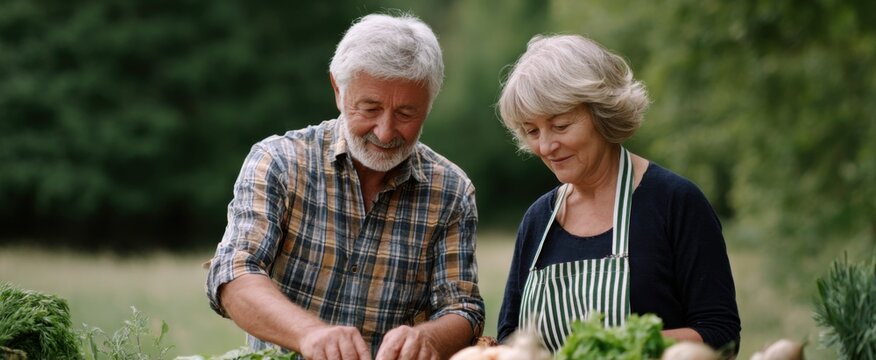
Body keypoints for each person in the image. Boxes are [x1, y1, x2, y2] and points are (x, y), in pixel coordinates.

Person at [205, 13, 485, 360]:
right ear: (339, 90)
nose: (385, 131)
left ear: (429, 105)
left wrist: (429, 338)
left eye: (406, 114)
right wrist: (310, 335)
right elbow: (233, 274)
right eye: (370, 108)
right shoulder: (279, 162)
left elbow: (464, 309)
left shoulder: (451, 192)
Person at [495, 34, 741, 354]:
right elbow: (508, 339)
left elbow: (721, 332)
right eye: (532, 131)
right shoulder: (538, 220)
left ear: (602, 113)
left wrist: (617, 346)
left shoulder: (675, 203)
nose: (545, 146)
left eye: (561, 126)